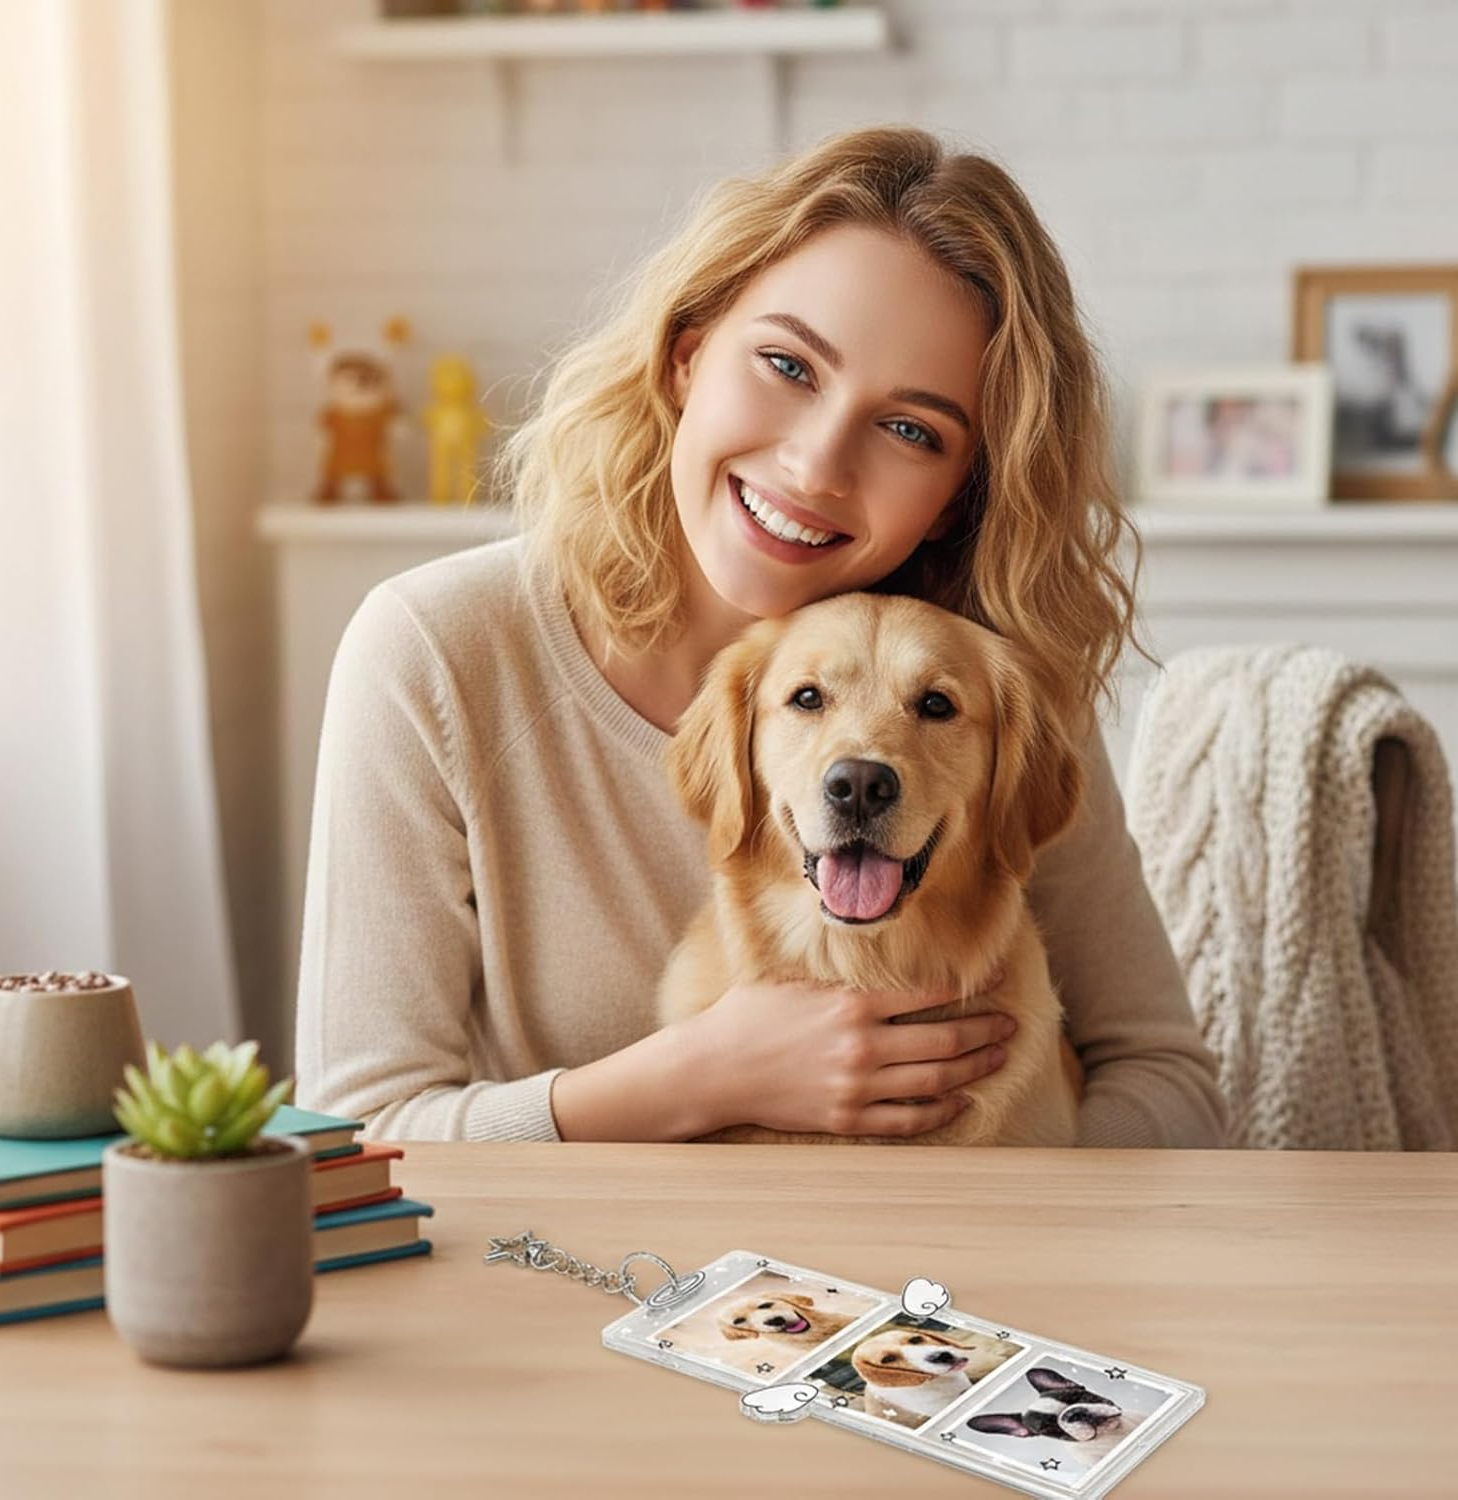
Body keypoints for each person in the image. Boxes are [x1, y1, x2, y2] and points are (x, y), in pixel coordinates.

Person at [293, 126, 1228, 1149]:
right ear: (688, 354)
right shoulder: (435, 652)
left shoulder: (978, 677)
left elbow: (1166, 1077)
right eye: (788, 364)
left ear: (961, 494)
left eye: (912, 429)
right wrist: (698, 1078)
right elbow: (358, 1137)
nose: (817, 463)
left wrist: (1006, 1207)